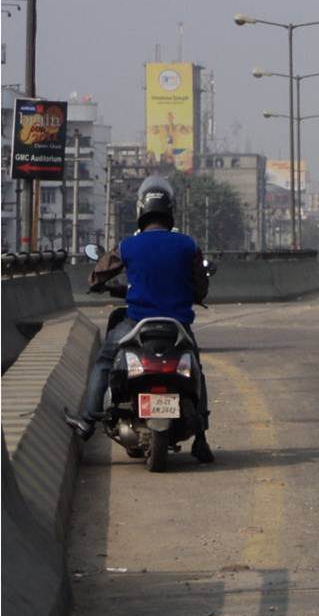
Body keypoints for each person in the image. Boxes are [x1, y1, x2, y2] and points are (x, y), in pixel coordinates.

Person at [64, 176, 214, 463]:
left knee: (105, 361)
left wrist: (96, 282)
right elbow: (201, 287)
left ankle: (88, 419)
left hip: (136, 323)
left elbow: (99, 273)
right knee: (196, 369)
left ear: (141, 211)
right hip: (178, 327)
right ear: (170, 211)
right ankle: (202, 438)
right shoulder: (188, 245)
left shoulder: (128, 246)